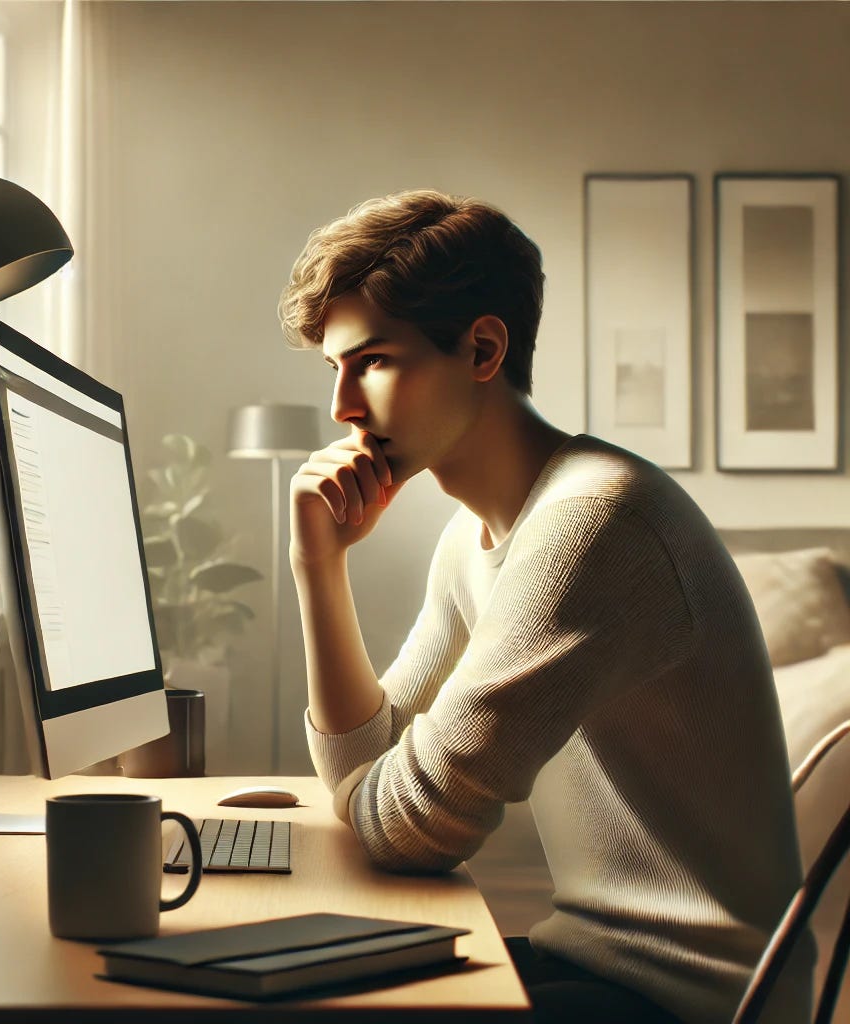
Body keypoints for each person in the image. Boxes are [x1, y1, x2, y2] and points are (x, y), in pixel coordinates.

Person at [276, 189, 814, 1024]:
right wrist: (318, 565)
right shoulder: (475, 537)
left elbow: (406, 828)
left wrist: (373, 794)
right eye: (335, 368)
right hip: (596, 965)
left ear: (483, 348)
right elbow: (369, 763)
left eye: (373, 361)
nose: (344, 405)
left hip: (694, 1002)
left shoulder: (592, 525)